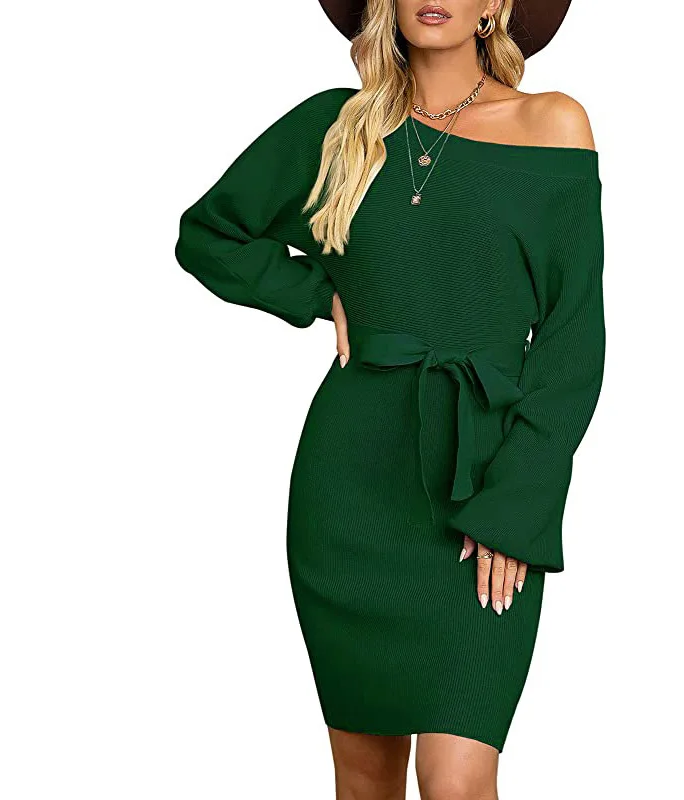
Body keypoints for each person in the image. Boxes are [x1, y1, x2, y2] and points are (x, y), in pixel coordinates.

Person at [174, 1, 605, 796]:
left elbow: (572, 342)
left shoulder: (552, 125)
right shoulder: (335, 128)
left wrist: (518, 506)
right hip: (352, 490)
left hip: (481, 482)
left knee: (457, 779)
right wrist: (316, 293)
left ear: (495, 5)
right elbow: (209, 234)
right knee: (365, 782)